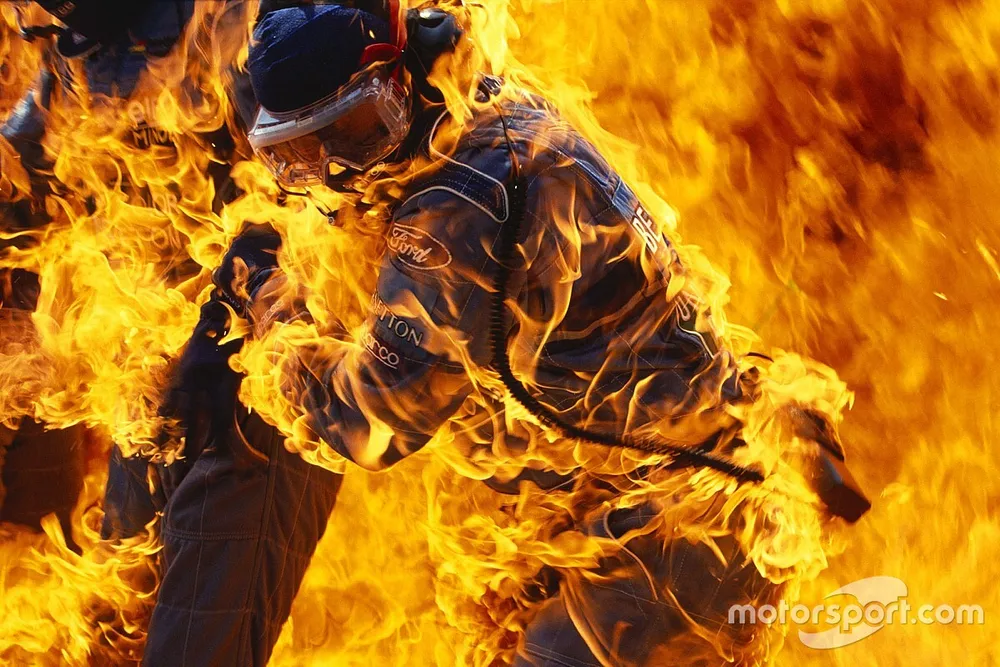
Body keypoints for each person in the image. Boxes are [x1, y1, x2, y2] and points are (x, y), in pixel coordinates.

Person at [154, 2, 871, 665]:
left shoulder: (457, 210)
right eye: (303, 155)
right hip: (669, 511)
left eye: (357, 132)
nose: (337, 174)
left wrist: (265, 333)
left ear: (407, 74)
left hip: (673, 537)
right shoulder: (497, 114)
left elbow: (363, 422)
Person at [0, 0, 253, 543]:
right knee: (122, 532)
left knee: (161, 530)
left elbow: (285, 194)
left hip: (223, 329)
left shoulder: (227, 25)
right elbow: (37, 142)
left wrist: (218, 325)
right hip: (130, 309)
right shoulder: (77, 36)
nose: (37, 20)